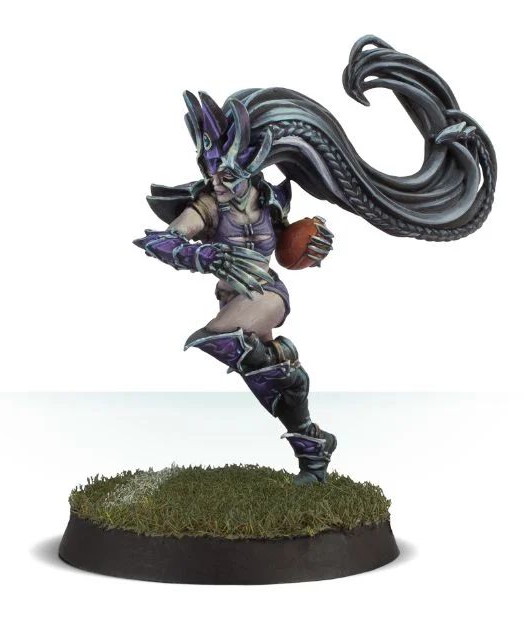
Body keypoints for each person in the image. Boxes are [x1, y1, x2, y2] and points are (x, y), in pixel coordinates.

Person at [134, 35, 496, 484]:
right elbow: (160, 241)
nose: (218, 184)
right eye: (211, 173)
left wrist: (313, 246)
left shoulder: (269, 202)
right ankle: (312, 445)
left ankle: (297, 401)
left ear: (250, 165)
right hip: (233, 296)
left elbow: (289, 251)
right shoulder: (208, 206)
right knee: (267, 370)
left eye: (226, 174)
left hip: (266, 294)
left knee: (221, 338)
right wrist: (204, 255)